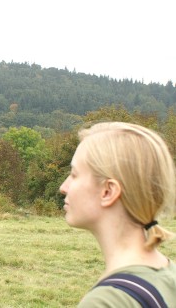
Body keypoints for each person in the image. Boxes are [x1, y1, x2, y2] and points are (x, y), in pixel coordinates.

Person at [60, 122, 176, 306]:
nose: (63, 188)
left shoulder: (107, 301)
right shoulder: (169, 277)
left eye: (74, 174)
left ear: (108, 191)